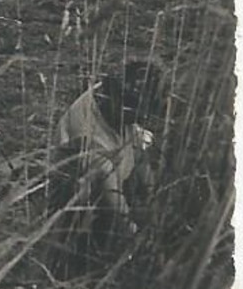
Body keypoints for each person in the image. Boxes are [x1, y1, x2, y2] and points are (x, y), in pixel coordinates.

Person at [48, 59, 165, 276]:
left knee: (143, 156)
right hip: (81, 196)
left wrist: (153, 200)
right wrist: (138, 237)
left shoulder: (112, 99)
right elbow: (113, 198)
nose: (140, 118)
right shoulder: (89, 136)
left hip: (115, 169)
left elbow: (140, 159)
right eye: (136, 113)